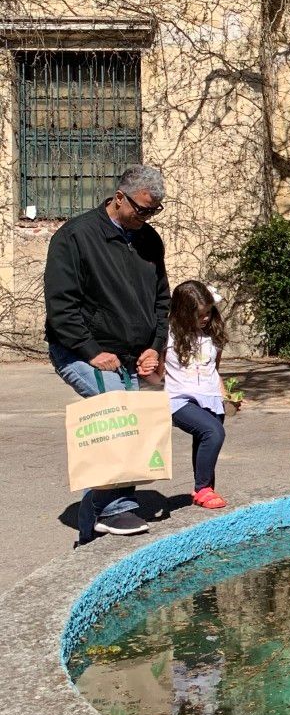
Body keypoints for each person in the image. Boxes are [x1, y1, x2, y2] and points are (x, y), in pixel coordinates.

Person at [45, 164, 170, 545]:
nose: (147, 218)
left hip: (131, 353)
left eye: (154, 212)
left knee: (129, 422)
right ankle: (116, 509)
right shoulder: (75, 237)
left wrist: (154, 345)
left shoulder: (148, 241)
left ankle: (91, 522)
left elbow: (160, 301)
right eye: (142, 209)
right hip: (80, 351)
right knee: (119, 413)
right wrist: (91, 351)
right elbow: (61, 306)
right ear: (119, 197)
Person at [164, 280, 239, 509]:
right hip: (178, 398)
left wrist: (226, 394)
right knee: (213, 432)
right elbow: (155, 372)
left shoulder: (211, 335)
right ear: (183, 313)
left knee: (205, 441)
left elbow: (213, 370)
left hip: (210, 395)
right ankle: (202, 488)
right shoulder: (167, 336)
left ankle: (205, 490)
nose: (205, 318)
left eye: (208, 312)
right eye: (200, 314)